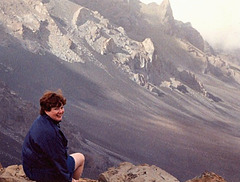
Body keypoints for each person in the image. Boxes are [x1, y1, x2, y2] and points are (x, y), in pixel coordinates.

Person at [22, 90, 85, 182]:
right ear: (46, 110)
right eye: (56, 109)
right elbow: (58, 161)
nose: (61, 111)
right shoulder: (50, 133)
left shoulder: (41, 120)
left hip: (31, 168)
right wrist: (68, 180)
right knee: (80, 157)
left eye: (62, 107)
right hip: (41, 173)